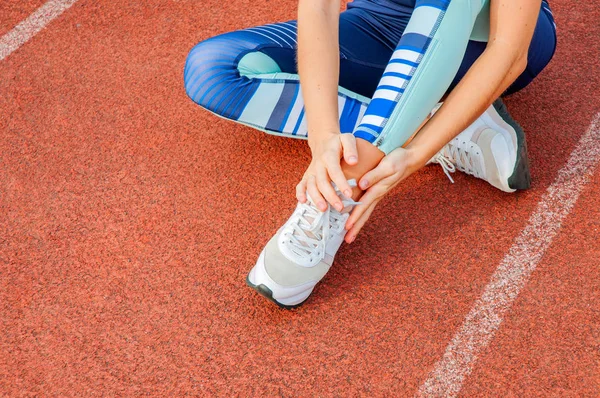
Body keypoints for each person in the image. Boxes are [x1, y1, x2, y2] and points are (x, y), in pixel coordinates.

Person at [184, 0, 557, 308]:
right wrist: (323, 133)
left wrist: (412, 156)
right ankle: (444, 124)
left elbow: (510, 51)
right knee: (215, 70)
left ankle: (339, 189)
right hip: (379, 30)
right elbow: (320, 8)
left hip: (479, 44)